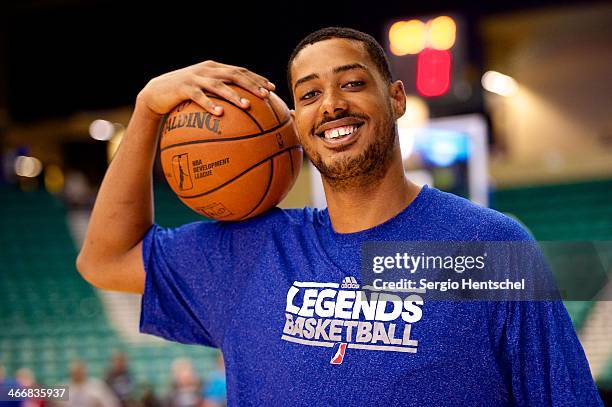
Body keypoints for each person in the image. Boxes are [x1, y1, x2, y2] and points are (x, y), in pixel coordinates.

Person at [76, 27, 603, 406]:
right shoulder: (250, 251)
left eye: (352, 83)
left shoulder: (486, 247)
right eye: (308, 94)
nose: (330, 104)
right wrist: (146, 111)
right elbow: (106, 258)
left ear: (395, 99)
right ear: (293, 124)